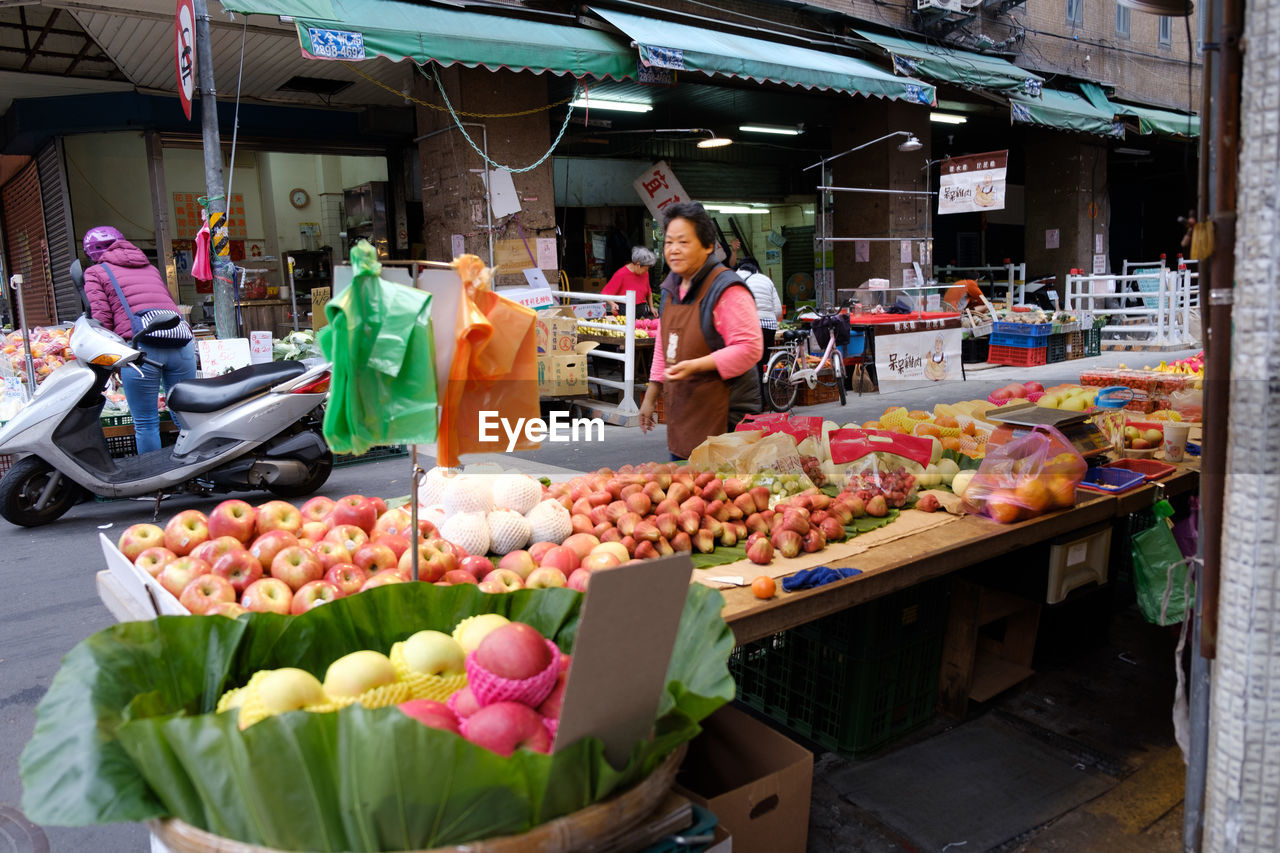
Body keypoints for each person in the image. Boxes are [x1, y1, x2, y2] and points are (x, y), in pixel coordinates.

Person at [638, 202, 763, 460]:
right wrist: (651, 395)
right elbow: (664, 345)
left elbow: (750, 348)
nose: (673, 250)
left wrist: (695, 366)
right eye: (669, 242)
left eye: (683, 242)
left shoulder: (727, 289)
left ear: (708, 246)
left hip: (726, 418)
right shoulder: (671, 287)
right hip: (685, 413)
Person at [81, 226, 196, 455]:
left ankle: (155, 485)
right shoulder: (149, 267)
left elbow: (101, 319)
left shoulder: (96, 272)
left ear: (92, 253)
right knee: (187, 420)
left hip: (142, 350)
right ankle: (198, 474)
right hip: (181, 341)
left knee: (146, 422)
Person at [735, 257, 784, 394]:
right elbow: (778, 309)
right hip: (768, 327)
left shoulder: (734, 278)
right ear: (756, 268)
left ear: (739, 268)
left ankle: (751, 399)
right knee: (762, 364)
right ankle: (763, 398)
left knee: (747, 364)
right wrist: (767, 320)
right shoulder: (766, 279)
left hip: (747, 326)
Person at [601, 246, 657, 316]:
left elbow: (649, 292)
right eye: (645, 269)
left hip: (641, 310)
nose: (646, 271)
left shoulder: (645, 273)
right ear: (638, 264)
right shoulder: (621, 274)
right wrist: (612, 304)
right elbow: (604, 294)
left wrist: (651, 307)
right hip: (625, 310)